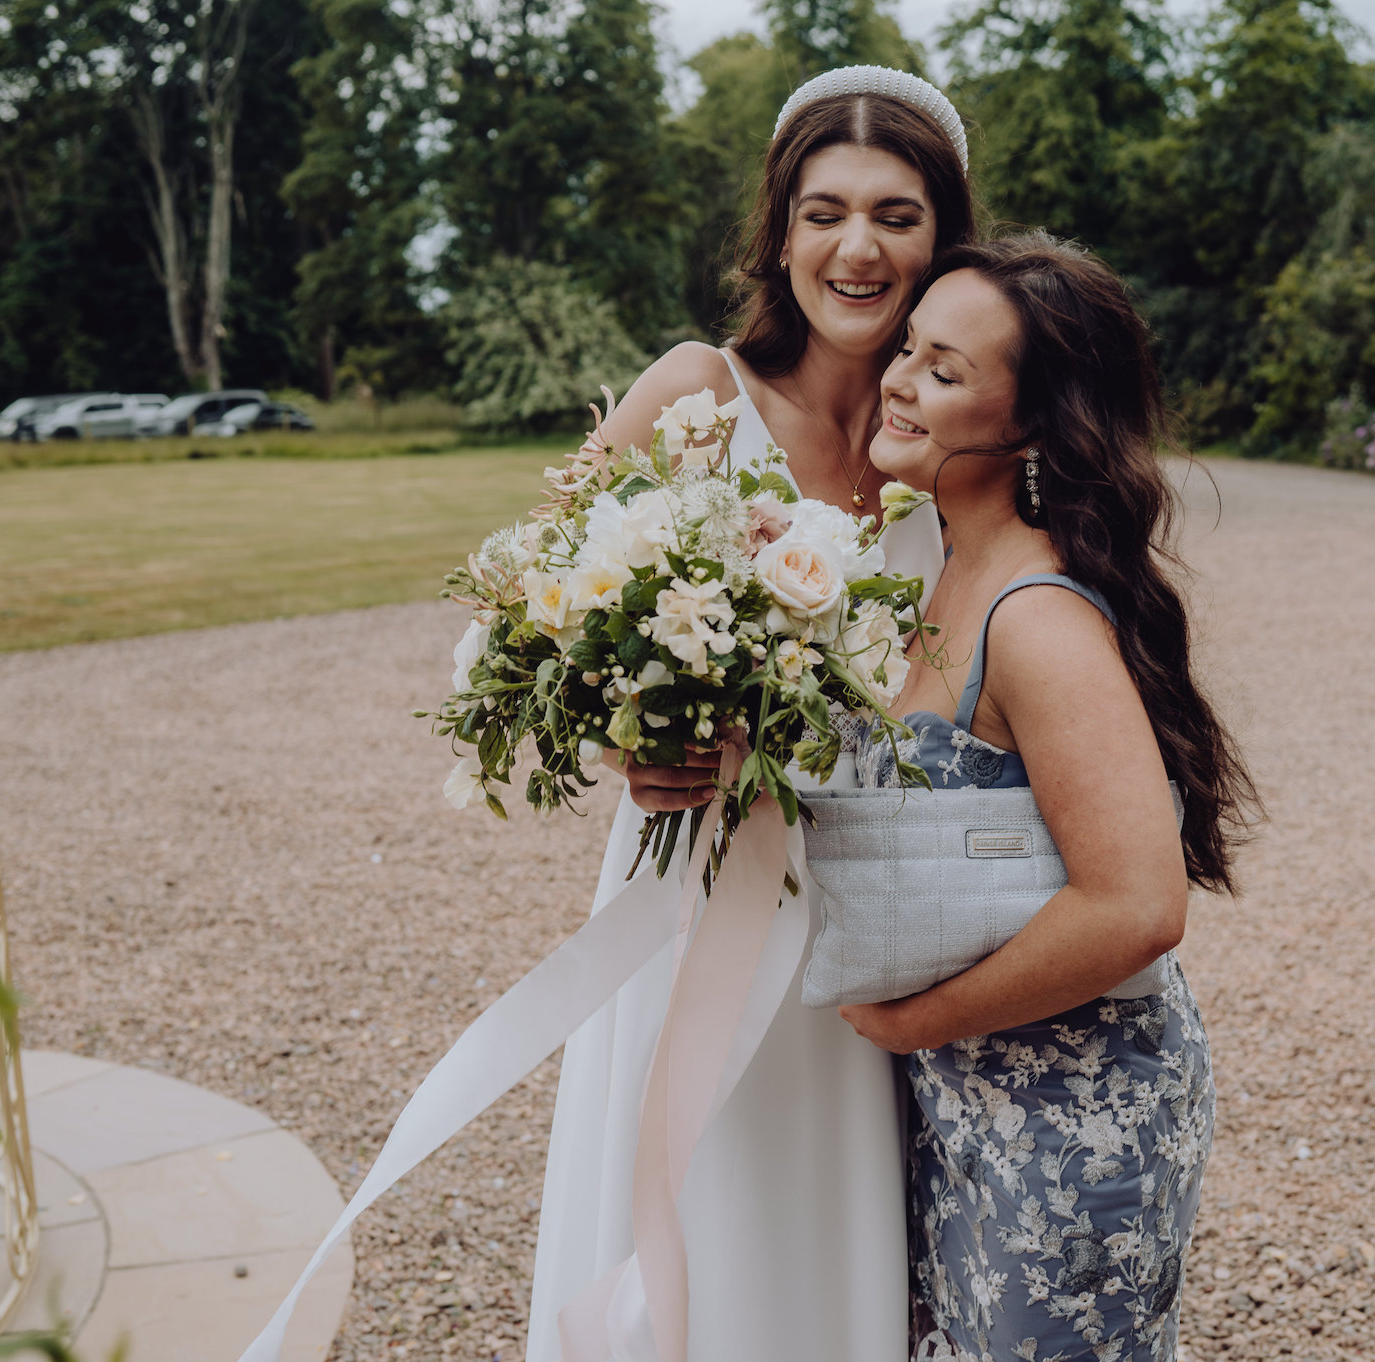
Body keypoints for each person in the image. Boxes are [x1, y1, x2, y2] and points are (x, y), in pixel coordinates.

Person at [525, 67, 976, 1362]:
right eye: (826, 211)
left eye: (898, 214)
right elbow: (550, 626)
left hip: (868, 913)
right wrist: (631, 738)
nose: (859, 247)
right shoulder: (694, 394)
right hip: (689, 894)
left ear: (943, 238)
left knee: (823, 1226)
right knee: (686, 1200)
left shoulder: (956, 433)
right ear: (780, 235)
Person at [836, 233, 1258, 1362]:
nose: (900, 380)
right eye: (909, 350)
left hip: (1072, 1120)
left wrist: (905, 1026)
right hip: (962, 1097)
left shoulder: (1035, 618)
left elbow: (1134, 907)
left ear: (1028, 422)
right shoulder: (937, 570)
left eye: (944, 370)